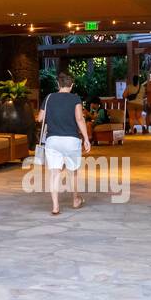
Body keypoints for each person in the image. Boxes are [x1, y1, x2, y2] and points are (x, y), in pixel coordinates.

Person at [36, 72, 92, 215]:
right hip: (71, 140)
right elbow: (80, 119)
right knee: (73, 172)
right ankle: (75, 200)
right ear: (71, 85)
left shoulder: (49, 98)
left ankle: (55, 206)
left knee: (54, 173)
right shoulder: (75, 99)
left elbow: (40, 118)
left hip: (53, 140)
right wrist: (86, 138)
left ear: (58, 84)